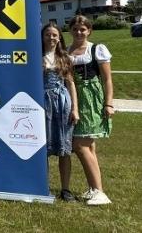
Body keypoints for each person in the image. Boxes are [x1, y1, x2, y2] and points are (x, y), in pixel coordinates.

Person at [67, 15, 114, 205]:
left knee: (79, 145)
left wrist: (109, 103)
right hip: (73, 97)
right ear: (70, 30)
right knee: (89, 146)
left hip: (92, 98)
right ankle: (94, 188)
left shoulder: (97, 49)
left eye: (83, 29)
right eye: (76, 29)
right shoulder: (67, 51)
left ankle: (100, 192)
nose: (79, 32)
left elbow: (107, 79)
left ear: (89, 31)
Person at [41, 22, 79, 202]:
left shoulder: (64, 57)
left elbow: (70, 83)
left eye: (54, 35)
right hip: (43, 103)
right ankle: (43, 186)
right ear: (42, 37)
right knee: (43, 148)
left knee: (65, 149)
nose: (51, 38)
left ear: (59, 37)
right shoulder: (36, 56)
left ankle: (65, 189)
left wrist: (75, 109)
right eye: (48, 34)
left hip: (62, 103)